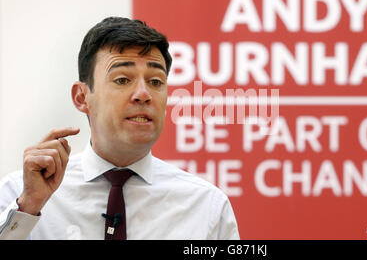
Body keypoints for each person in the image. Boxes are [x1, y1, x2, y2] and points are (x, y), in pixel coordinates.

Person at [0, 17, 240, 240]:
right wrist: (28, 207)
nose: (143, 94)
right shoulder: (19, 194)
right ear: (82, 97)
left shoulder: (207, 206)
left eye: (155, 82)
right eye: (123, 80)